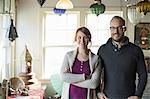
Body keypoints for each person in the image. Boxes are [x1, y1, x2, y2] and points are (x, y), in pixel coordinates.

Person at [97, 16, 148, 99]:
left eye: (119, 28)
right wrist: (98, 92)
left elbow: (143, 75)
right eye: (112, 28)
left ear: (124, 29)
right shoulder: (103, 50)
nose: (115, 31)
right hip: (107, 97)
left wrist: (138, 95)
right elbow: (97, 74)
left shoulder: (136, 50)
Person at [60, 27, 101, 99]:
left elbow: (94, 84)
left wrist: (71, 81)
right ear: (76, 39)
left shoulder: (96, 59)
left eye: (85, 37)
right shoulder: (68, 56)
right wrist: (84, 77)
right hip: (70, 96)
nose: (82, 40)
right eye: (79, 37)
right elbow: (63, 76)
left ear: (89, 39)